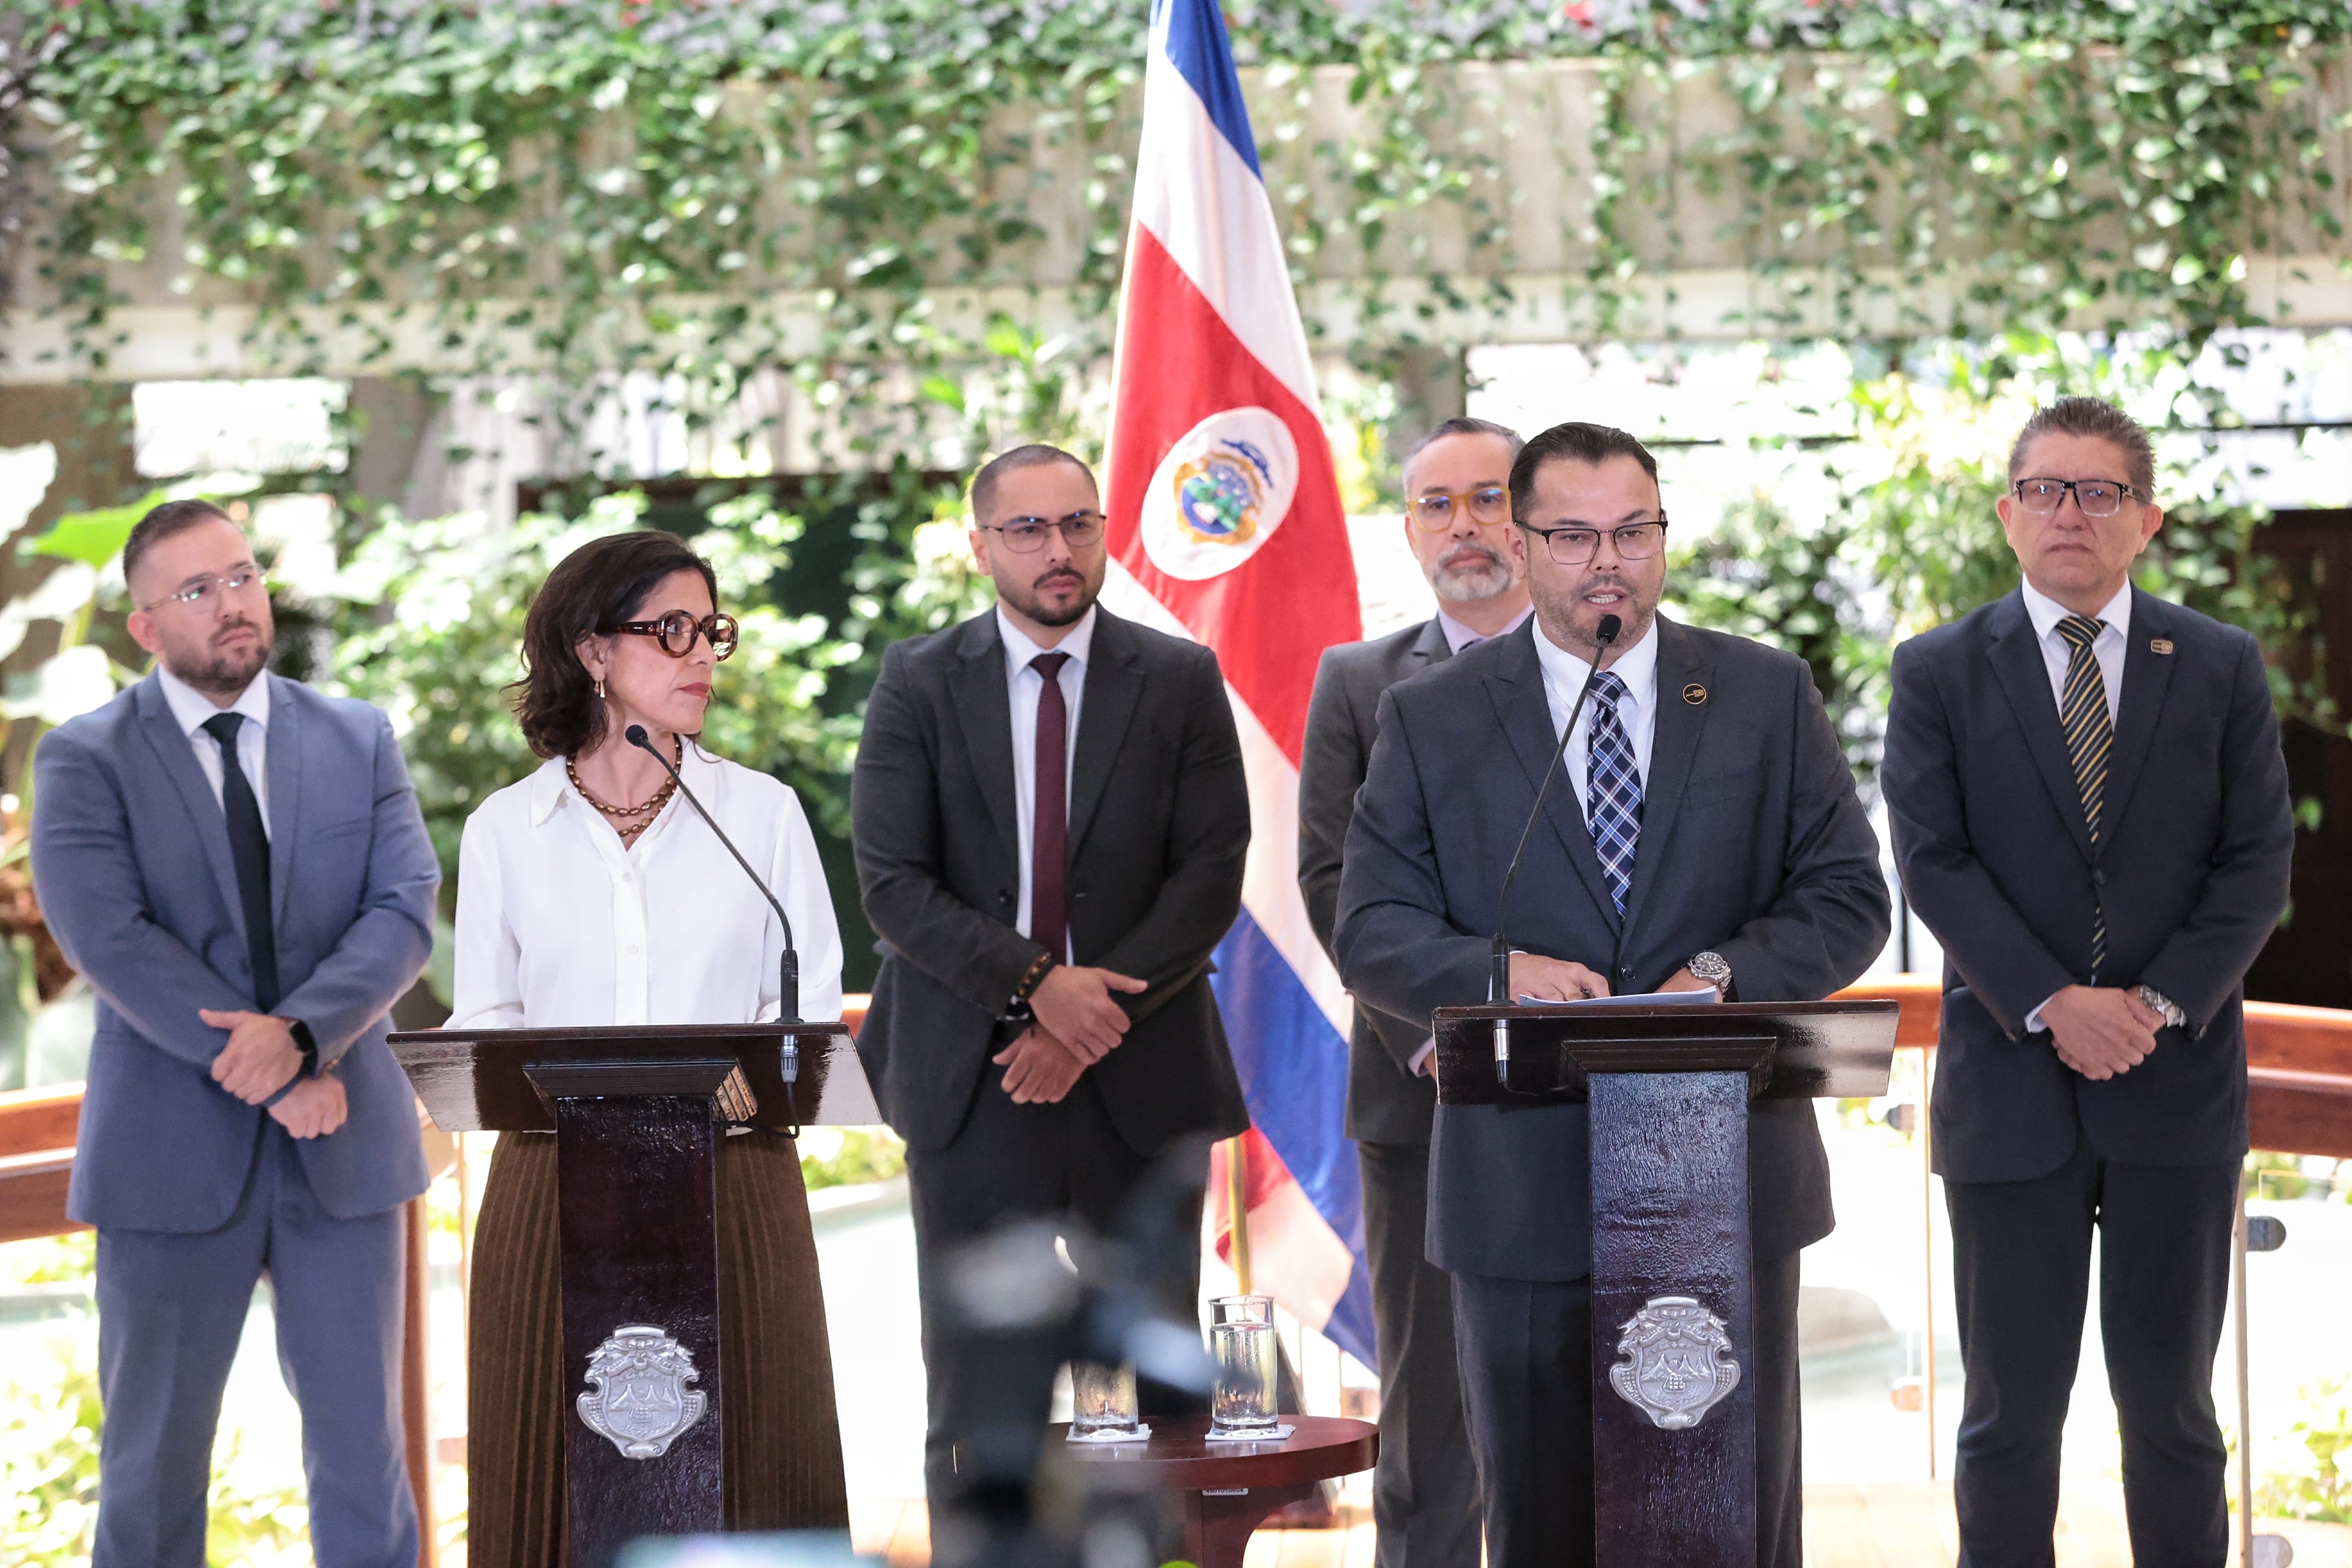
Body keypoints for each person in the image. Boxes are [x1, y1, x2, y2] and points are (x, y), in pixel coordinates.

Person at [1334, 422, 1889, 1568]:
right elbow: (1371, 924)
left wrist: (1726, 972)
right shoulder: (1432, 716)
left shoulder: (1763, 693)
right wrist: (1498, 974)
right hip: (1521, 1188)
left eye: (1634, 530)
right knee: (1542, 1520)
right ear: (1522, 541)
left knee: (1733, 1519)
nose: (1609, 561)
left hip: (1722, 1174)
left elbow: (1847, 896)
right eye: (1576, 534)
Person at [1881, 397, 2294, 1568]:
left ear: (2146, 520)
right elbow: (1934, 862)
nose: (2072, 511)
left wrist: (2156, 1002)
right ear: (2009, 512)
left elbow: (2256, 858)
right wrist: (2056, 1000)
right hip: (2009, 1094)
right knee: (2010, 1418)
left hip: (2177, 1088)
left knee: (2173, 1414)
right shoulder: (1939, 670)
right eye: (2048, 489)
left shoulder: (2216, 663)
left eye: (2100, 490)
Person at [31, 498, 439, 1568]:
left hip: (344, 1149)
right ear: (145, 625)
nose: (233, 604)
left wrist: (305, 1042)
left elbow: (404, 910)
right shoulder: (85, 760)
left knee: (365, 1462)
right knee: (154, 1468)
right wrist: (273, 1072)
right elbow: (110, 941)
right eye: (197, 590)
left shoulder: (358, 736)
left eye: (244, 576)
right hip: (169, 1160)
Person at [851, 443, 1252, 1507]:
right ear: (981, 545)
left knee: (1171, 1393)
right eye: (1027, 529)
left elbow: (1211, 873)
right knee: (978, 1397)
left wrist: (1084, 1020)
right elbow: (893, 883)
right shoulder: (917, 682)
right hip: (971, 1084)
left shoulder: (1179, 678)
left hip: (1142, 1074)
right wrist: (1039, 986)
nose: (1058, 549)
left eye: (1079, 523)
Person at [449, 529, 850, 1562]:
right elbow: (486, 1022)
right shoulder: (506, 829)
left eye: (710, 630)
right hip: (551, 1188)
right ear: (590, 652)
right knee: (551, 1473)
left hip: (734, 1181)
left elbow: (794, 1019)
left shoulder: (760, 817)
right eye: (669, 631)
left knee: (761, 1454)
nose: (701, 656)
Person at [1298, 415, 1530, 1568]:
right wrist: (1436, 1032)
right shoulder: (1357, 682)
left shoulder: (1611, 666)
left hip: (1598, 1100)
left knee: (1593, 1405)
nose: (1466, 525)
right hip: (1423, 1096)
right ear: (1408, 529)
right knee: (1432, 1419)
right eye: (1439, 504)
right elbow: (1335, 883)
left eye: (1489, 498)